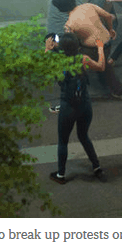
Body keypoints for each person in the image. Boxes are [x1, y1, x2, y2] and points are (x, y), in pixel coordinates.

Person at [45, 32, 107, 184]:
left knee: (63, 141)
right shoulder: (83, 59)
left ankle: (60, 174)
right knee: (83, 136)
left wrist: (47, 48)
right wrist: (100, 48)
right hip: (84, 105)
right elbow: (101, 67)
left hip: (67, 107)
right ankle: (97, 166)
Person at [52, 0, 122, 101]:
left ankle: (81, 90)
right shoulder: (89, 6)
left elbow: (71, 43)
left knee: (85, 66)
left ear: (60, 9)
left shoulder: (69, 24)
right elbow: (108, 16)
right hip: (107, 41)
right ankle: (112, 86)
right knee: (104, 64)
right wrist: (111, 29)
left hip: (92, 48)